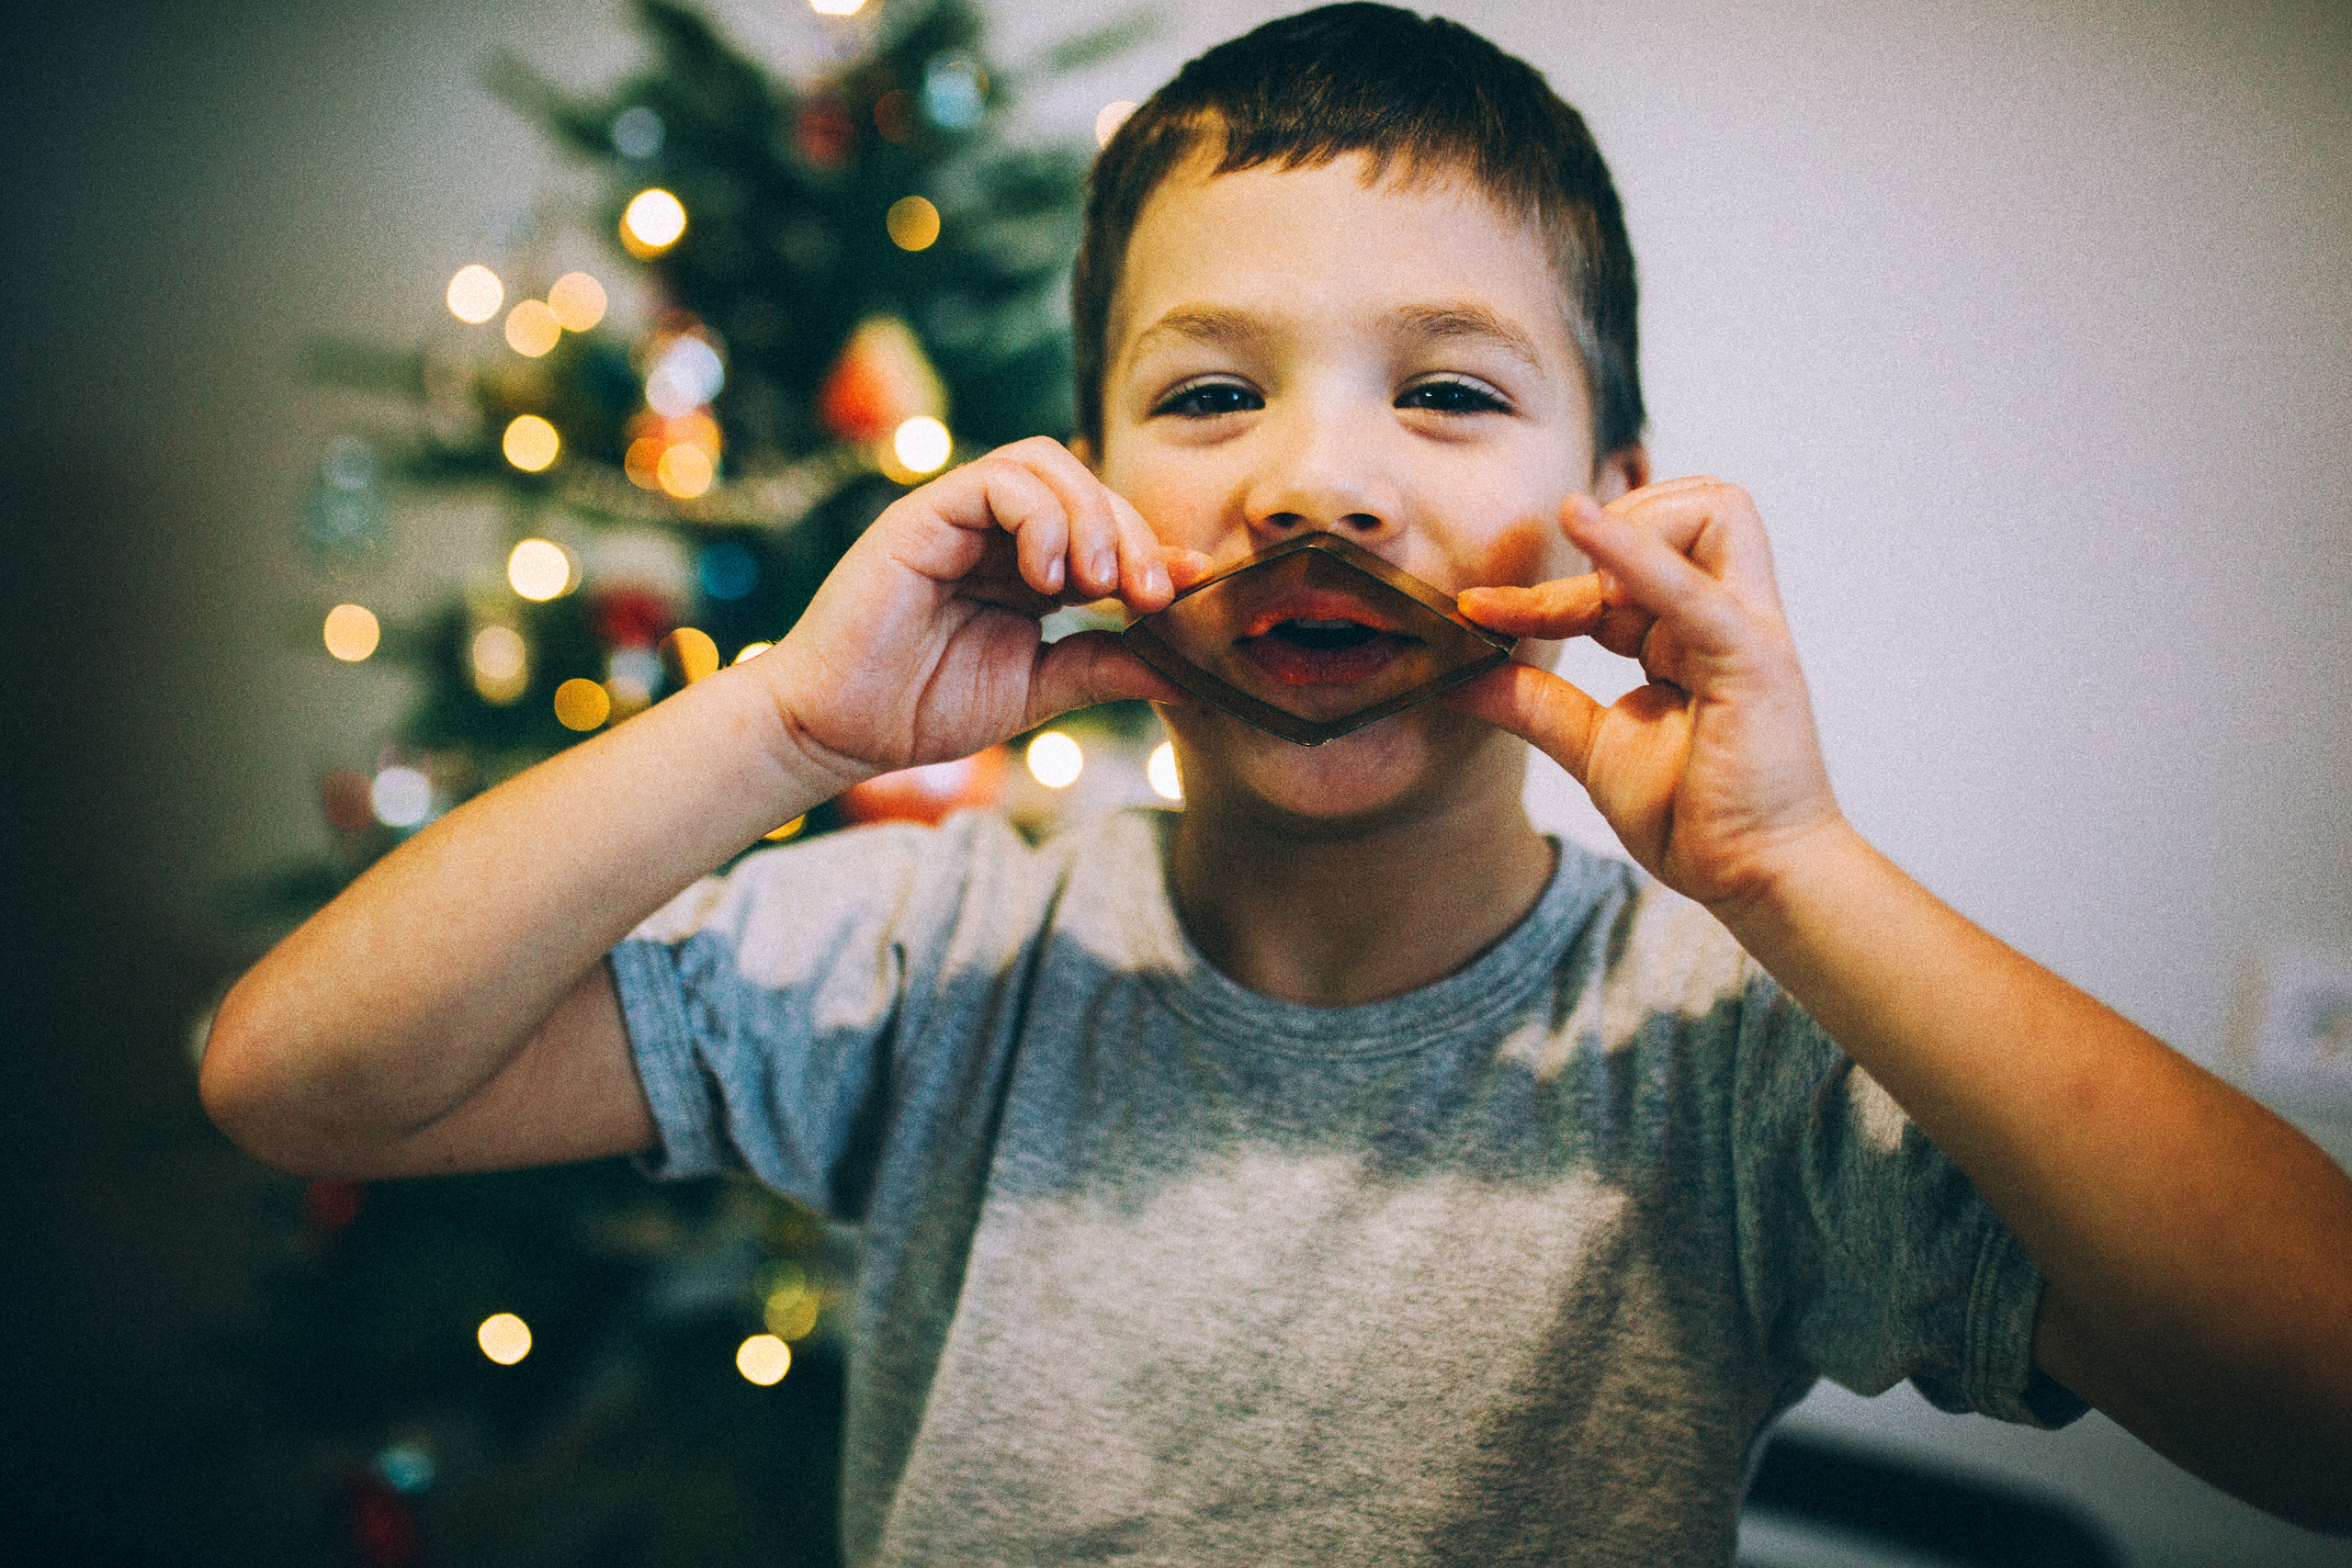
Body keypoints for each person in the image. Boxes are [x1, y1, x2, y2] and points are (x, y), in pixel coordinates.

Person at [202, 6, 2352, 1562]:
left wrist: (1787, 868)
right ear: (1081, 484)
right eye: (1211, 390)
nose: (1318, 476)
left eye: (1442, 389)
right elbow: (303, 1082)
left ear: (1610, 502)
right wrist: (784, 725)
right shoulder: (941, 953)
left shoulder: (1724, 1056)